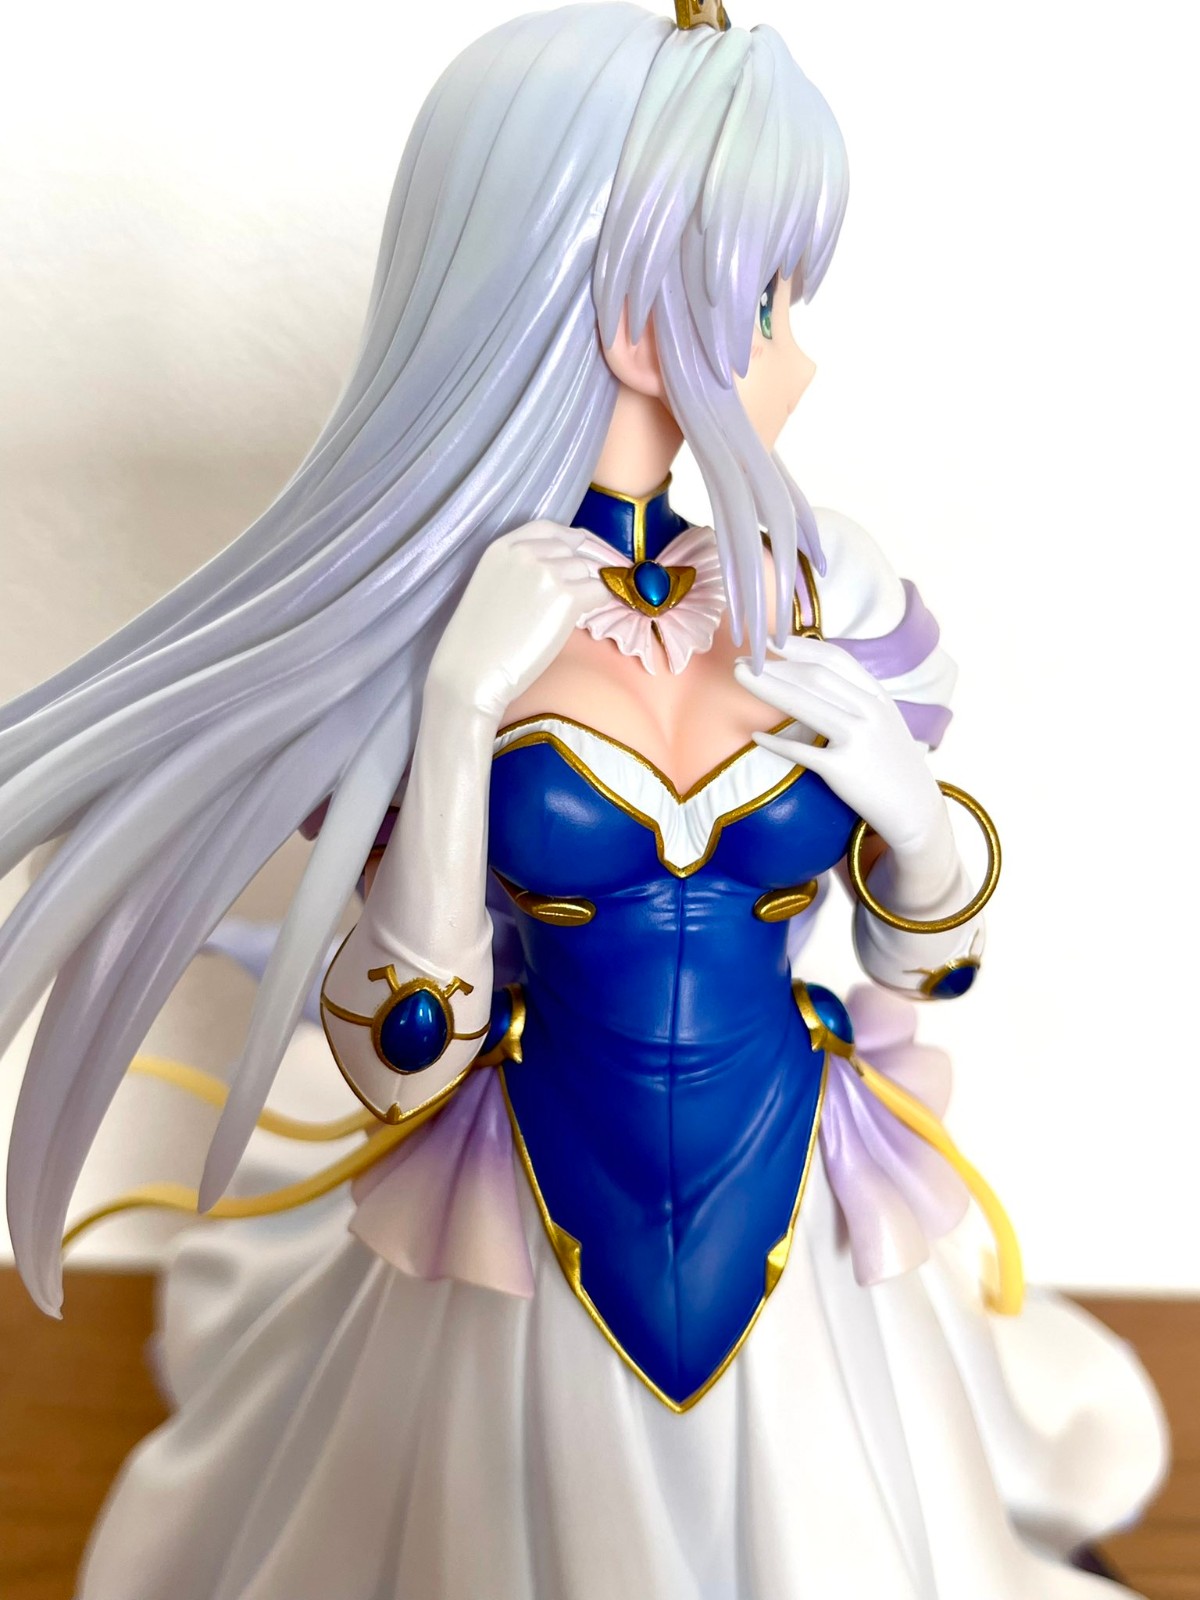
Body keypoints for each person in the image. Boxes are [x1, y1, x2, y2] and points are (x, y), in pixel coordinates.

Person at [0, 5, 1166, 1596]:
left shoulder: (825, 591)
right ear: (635, 323)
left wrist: (906, 808)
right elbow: (404, 1057)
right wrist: (457, 706)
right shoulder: (453, 625)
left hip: (793, 1174)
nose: (801, 354)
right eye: (766, 301)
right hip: (530, 1207)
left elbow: (926, 964)